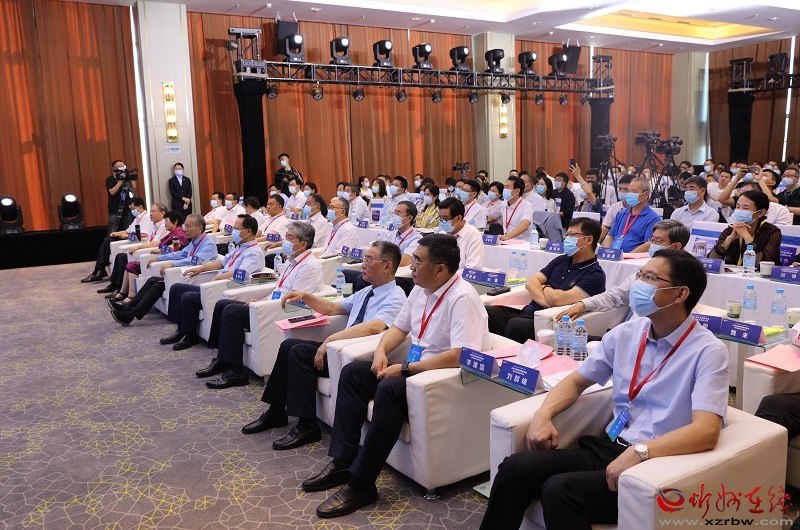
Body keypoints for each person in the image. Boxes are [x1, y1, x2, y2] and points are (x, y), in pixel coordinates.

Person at [479, 249, 729, 530]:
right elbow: (576, 381)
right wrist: (543, 414)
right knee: (515, 468)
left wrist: (642, 451)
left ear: (680, 294)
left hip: (657, 463)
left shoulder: (708, 352)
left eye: (649, 278)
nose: (639, 284)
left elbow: (706, 431)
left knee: (560, 491)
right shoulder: (626, 334)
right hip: (609, 447)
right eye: (640, 275)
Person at [303, 234, 490, 518]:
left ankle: (362, 483)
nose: (410, 266)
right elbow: (399, 329)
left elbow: (460, 355)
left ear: (440, 269)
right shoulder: (421, 289)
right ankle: (343, 460)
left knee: (389, 388)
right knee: (355, 372)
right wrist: (381, 351)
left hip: (440, 379)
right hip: (414, 369)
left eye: (418, 261)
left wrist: (404, 369)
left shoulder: (462, 298)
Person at [240, 241, 407, 448]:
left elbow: (375, 327)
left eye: (369, 260)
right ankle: (276, 411)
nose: (363, 264)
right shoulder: (367, 292)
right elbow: (332, 308)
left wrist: (330, 340)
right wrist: (305, 296)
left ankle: (307, 426)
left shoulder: (396, 297)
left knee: (299, 352)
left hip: (356, 355)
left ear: (387, 265)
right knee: (289, 346)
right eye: (364, 258)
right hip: (340, 348)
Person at [197, 221, 324, 388]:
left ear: (303, 244)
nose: (285, 241)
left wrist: (263, 306)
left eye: (290, 238)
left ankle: (236, 373)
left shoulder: (310, 267)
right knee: (222, 304)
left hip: (281, 312)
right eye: (286, 236)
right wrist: (260, 301)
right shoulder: (292, 260)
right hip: (270, 306)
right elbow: (279, 289)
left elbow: (294, 301)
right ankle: (222, 359)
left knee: (231, 312)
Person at [486, 218, 605, 343]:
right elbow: (531, 283)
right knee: (486, 312)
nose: (567, 239)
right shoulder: (562, 260)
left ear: (589, 240)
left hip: (548, 323)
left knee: (515, 325)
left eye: (572, 235)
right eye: (567, 234)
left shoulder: (595, 275)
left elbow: (558, 299)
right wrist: (547, 300)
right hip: (527, 312)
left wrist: (545, 287)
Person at [157, 215, 264, 348]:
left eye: (237, 228)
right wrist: (200, 268)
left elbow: (241, 274)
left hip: (226, 287)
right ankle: (180, 330)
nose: (234, 231)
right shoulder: (240, 247)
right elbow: (222, 263)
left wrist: (217, 279)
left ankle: (190, 335)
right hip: (215, 283)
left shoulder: (254, 253)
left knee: (188, 297)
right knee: (177, 288)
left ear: (248, 231)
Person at [556, 219, 690, 321]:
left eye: (659, 241)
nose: (653, 245)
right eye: (652, 240)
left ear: (676, 246)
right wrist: (583, 304)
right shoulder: (642, 273)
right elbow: (615, 296)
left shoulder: (685, 277)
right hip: (631, 331)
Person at [108, 214, 218, 326]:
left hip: (195, 278)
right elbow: (181, 254)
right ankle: (128, 307)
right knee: (152, 280)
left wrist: (172, 264)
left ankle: (130, 316)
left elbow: (194, 261)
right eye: (185, 226)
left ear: (199, 228)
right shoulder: (194, 241)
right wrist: (159, 258)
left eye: (188, 226)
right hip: (184, 273)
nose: (185, 229)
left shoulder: (208, 244)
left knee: (158, 285)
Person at [112, 210, 186, 305]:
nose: (165, 223)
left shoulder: (179, 233)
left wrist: (160, 249)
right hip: (159, 258)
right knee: (129, 264)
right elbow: (156, 243)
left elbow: (174, 248)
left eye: (167, 220)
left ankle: (131, 296)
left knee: (132, 266)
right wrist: (138, 247)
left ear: (175, 222)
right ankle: (122, 292)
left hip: (166, 260)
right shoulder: (171, 233)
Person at [96, 203, 168, 297]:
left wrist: (137, 247)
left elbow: (154, 243)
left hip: (150, 252)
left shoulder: (163, 225)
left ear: (162, 213)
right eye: (150, 211)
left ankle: (119, 289)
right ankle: (114, 285)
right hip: (146, 248)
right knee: (120, 256)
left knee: (122, 258)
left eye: (153, 211)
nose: (151, 214)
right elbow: (144, 239)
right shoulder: (154, 225)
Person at [82, 197, 152, 283]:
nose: (132, 211)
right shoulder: (137, 218)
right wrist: (117, 233)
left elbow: (143, 235)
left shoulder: (147, 218)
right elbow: (128, 230)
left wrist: (126, 236)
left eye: (133, 209)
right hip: (130, 238)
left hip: (136, 241)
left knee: (108, 241)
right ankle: (100, 268)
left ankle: (100, 269)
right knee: (108, 239)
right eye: (131, 209)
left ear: (140, 207)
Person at [708, 190, 782, 266]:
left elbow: (761, 263)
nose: (739, 211)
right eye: (738, 207)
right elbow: (711, 259)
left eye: (745, 208)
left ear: (760, 213)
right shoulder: (731, 229)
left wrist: (747, 237)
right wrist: (729, 239)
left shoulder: (772, 232)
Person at [602, 178, 661, 253]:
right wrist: (607, 251)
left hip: (634, 257)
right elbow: (610, 236)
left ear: (646, 195)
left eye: (633, 191)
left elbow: (648, 244)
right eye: (628, 191)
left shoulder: (653, 218)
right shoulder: (621, 214)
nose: (629, 194)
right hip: (614, 255)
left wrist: (628, 256)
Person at [438, 198, 483, 269]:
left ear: (458, 218)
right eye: (440, 218)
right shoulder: (442, 234)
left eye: (445, 218)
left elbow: (472, 268)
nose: (442, 222)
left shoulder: (473, 235)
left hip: (459, 275)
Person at [599, 175, 634, 245]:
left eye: (626, 190)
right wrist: (595, 245)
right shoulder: (614, 207)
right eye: (620, 189)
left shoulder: (642, 210)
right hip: (614, 244)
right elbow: (605, 229)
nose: (622, 192)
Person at [106, 159, 138, 234]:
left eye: (123, 166)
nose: (122, 167)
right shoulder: (110, 179)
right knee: (112, 231)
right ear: (114, 168)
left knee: (127, 231)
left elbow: (134, 186)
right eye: (120, 166)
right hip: (115, 209)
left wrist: (130, 177)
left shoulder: (126, 176)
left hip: (127, 209)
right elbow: (112, 192)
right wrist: (121, 180)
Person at [499, 176, 534, 241]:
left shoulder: (527, 206)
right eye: (504, 187)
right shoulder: (503, 204)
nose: (504, 190)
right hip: (506, 241)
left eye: (507, 187)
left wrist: (507, 236)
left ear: (517, 191)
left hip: (522, 242)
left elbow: (524, 225)